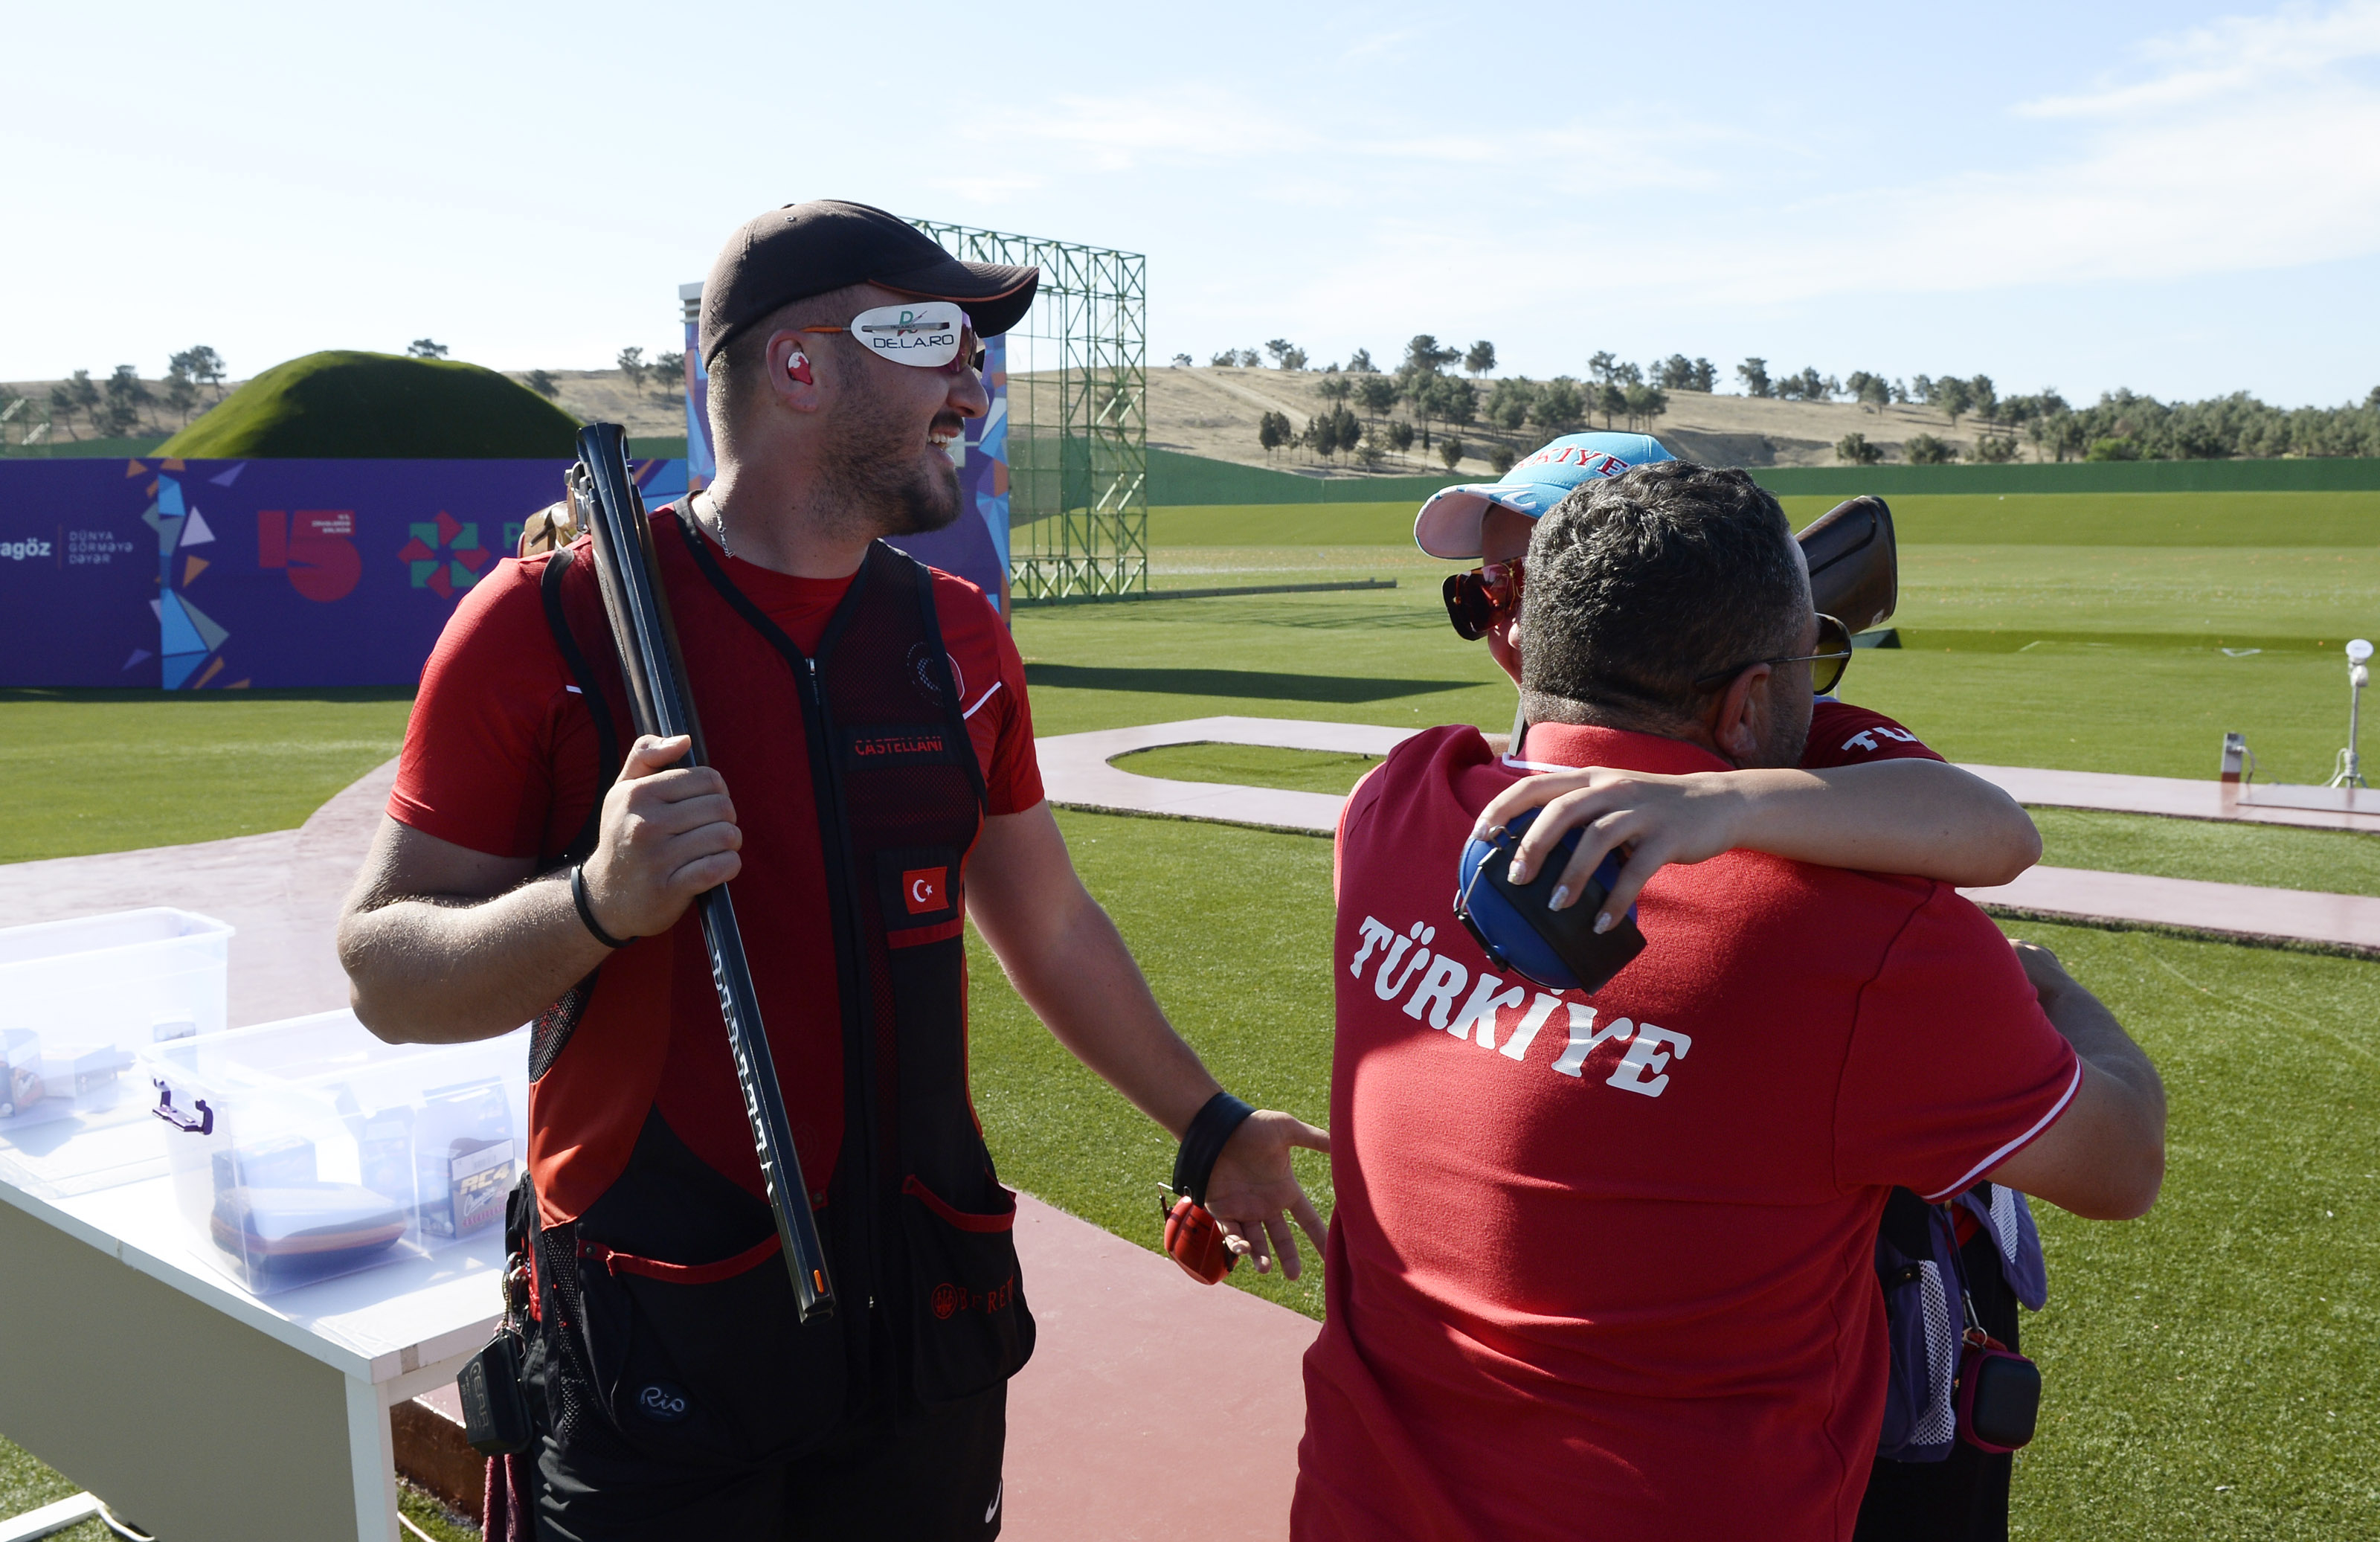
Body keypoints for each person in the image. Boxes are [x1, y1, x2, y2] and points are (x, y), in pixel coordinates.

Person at [338, 200, 1326, 1540]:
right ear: (798, 365)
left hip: (925, 1337)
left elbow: (1045, 917)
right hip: (655, 1359)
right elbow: (388, 968)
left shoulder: (960, 633)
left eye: (982, 346)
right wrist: (594, 905)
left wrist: (1206, 1121)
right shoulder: (548, 621)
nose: (976, 378)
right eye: (937, 337)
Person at [1293, 460, 2165, 1541]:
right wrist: (2057, 990)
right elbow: (2122, 1161)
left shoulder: (1392, 809)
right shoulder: (1859, 941)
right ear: (1752, 701)